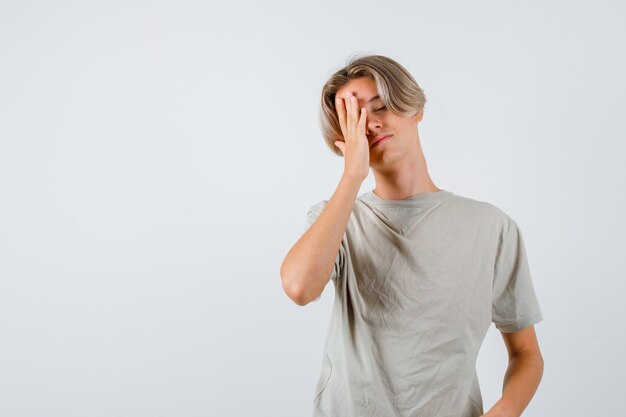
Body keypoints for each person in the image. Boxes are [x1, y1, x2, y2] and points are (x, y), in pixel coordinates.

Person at [279, 54, 544, 417]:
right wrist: (352, 175)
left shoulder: (492, 227)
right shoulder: (337, 219)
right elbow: (299, 287)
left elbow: (526, 354)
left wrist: (504, 411)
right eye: (354, 119)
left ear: (415, 108)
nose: (370, 124)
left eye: (381, 106)